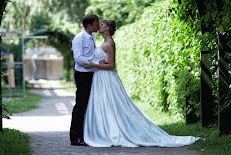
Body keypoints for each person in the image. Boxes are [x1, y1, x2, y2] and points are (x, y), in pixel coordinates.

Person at [83, 19, 201, 147]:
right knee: (105, 104)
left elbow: (112, 66)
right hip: (100, 78)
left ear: (107, 28)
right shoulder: (103, 42)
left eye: (101, 24)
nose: (99, 26)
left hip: (107, 77)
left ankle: (116, 132)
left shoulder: (110, 43)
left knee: (114, 104)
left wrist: (95, 65)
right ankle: (105, 131)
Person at [69, 13, 100, 145]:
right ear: (89, 25)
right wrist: (94, 63)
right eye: (96, 23)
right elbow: (78, 58)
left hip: (92, 74)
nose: (98, 25)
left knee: (89, 105)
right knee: (81, 105)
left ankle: (86, 135)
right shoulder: (79, 38)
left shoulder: (92, 37)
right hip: (83, 75)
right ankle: (75, 137)